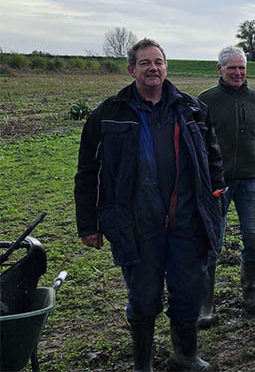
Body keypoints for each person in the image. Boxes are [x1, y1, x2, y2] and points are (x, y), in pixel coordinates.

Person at [74, 39, 225, 371]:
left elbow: (213, 162)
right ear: (131, 70)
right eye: (145, 63)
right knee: (143, 298)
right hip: (137, 226)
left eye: (158, 61)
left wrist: (216, 202)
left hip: (187, 223)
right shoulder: (108, 114)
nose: (153, 68)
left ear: (166, 67)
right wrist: (88, 224)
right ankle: (143, 363)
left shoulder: (193, 110)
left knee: (188, 294)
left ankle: (185, 356)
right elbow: (87, 172)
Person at [197, 46, 255, 325]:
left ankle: (250, 293)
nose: (238, 73)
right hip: (217, 183)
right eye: (232, 68)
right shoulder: (206, 100)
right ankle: (206, 304)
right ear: (220, 69)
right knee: (211, 244)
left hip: (251, 182)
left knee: (254, 241)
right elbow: (197, 146)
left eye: (242, 68)